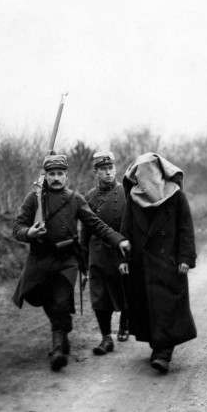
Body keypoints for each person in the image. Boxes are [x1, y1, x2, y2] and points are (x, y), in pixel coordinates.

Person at [13, 154, 131, 372]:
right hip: (40, 260)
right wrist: (28, 232)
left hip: (66, 259)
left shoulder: (75, 199)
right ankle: (63, 331)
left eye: (60, 174)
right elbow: (17, 228)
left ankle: (57, 349)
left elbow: (96, 225)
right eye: (52, 174)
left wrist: (119, 240)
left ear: (66, 176)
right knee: (46, 300)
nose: (56, 178)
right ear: (45, 176)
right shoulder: (34, 198)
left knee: (59, 300)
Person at [118, 152, 197, 374]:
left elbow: (185, 229)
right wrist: (123, 259)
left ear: (159, 171)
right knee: (148, 307)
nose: (145, 176)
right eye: (140, 172)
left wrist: (185, 258)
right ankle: (158, 346)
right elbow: (126, 230)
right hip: (141, 264)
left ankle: (163, 353)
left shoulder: (176, 196)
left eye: (149, 171)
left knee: (168, 306)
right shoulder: (134, 198)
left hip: (170, 262)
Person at [80, 150, 129, 356]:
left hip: (121, 251)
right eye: (103, 169)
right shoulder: (89, 197)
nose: (108, 173)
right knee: (99, 297)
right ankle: (106, 337)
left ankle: (125, 322)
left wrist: (128, 253)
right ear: (96, 172)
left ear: (115, 169)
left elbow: (131, 225)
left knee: (124, 291)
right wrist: (83, 265)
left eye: (111, 168)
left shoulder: (126, 192)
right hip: (98, 253)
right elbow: (85, 233)